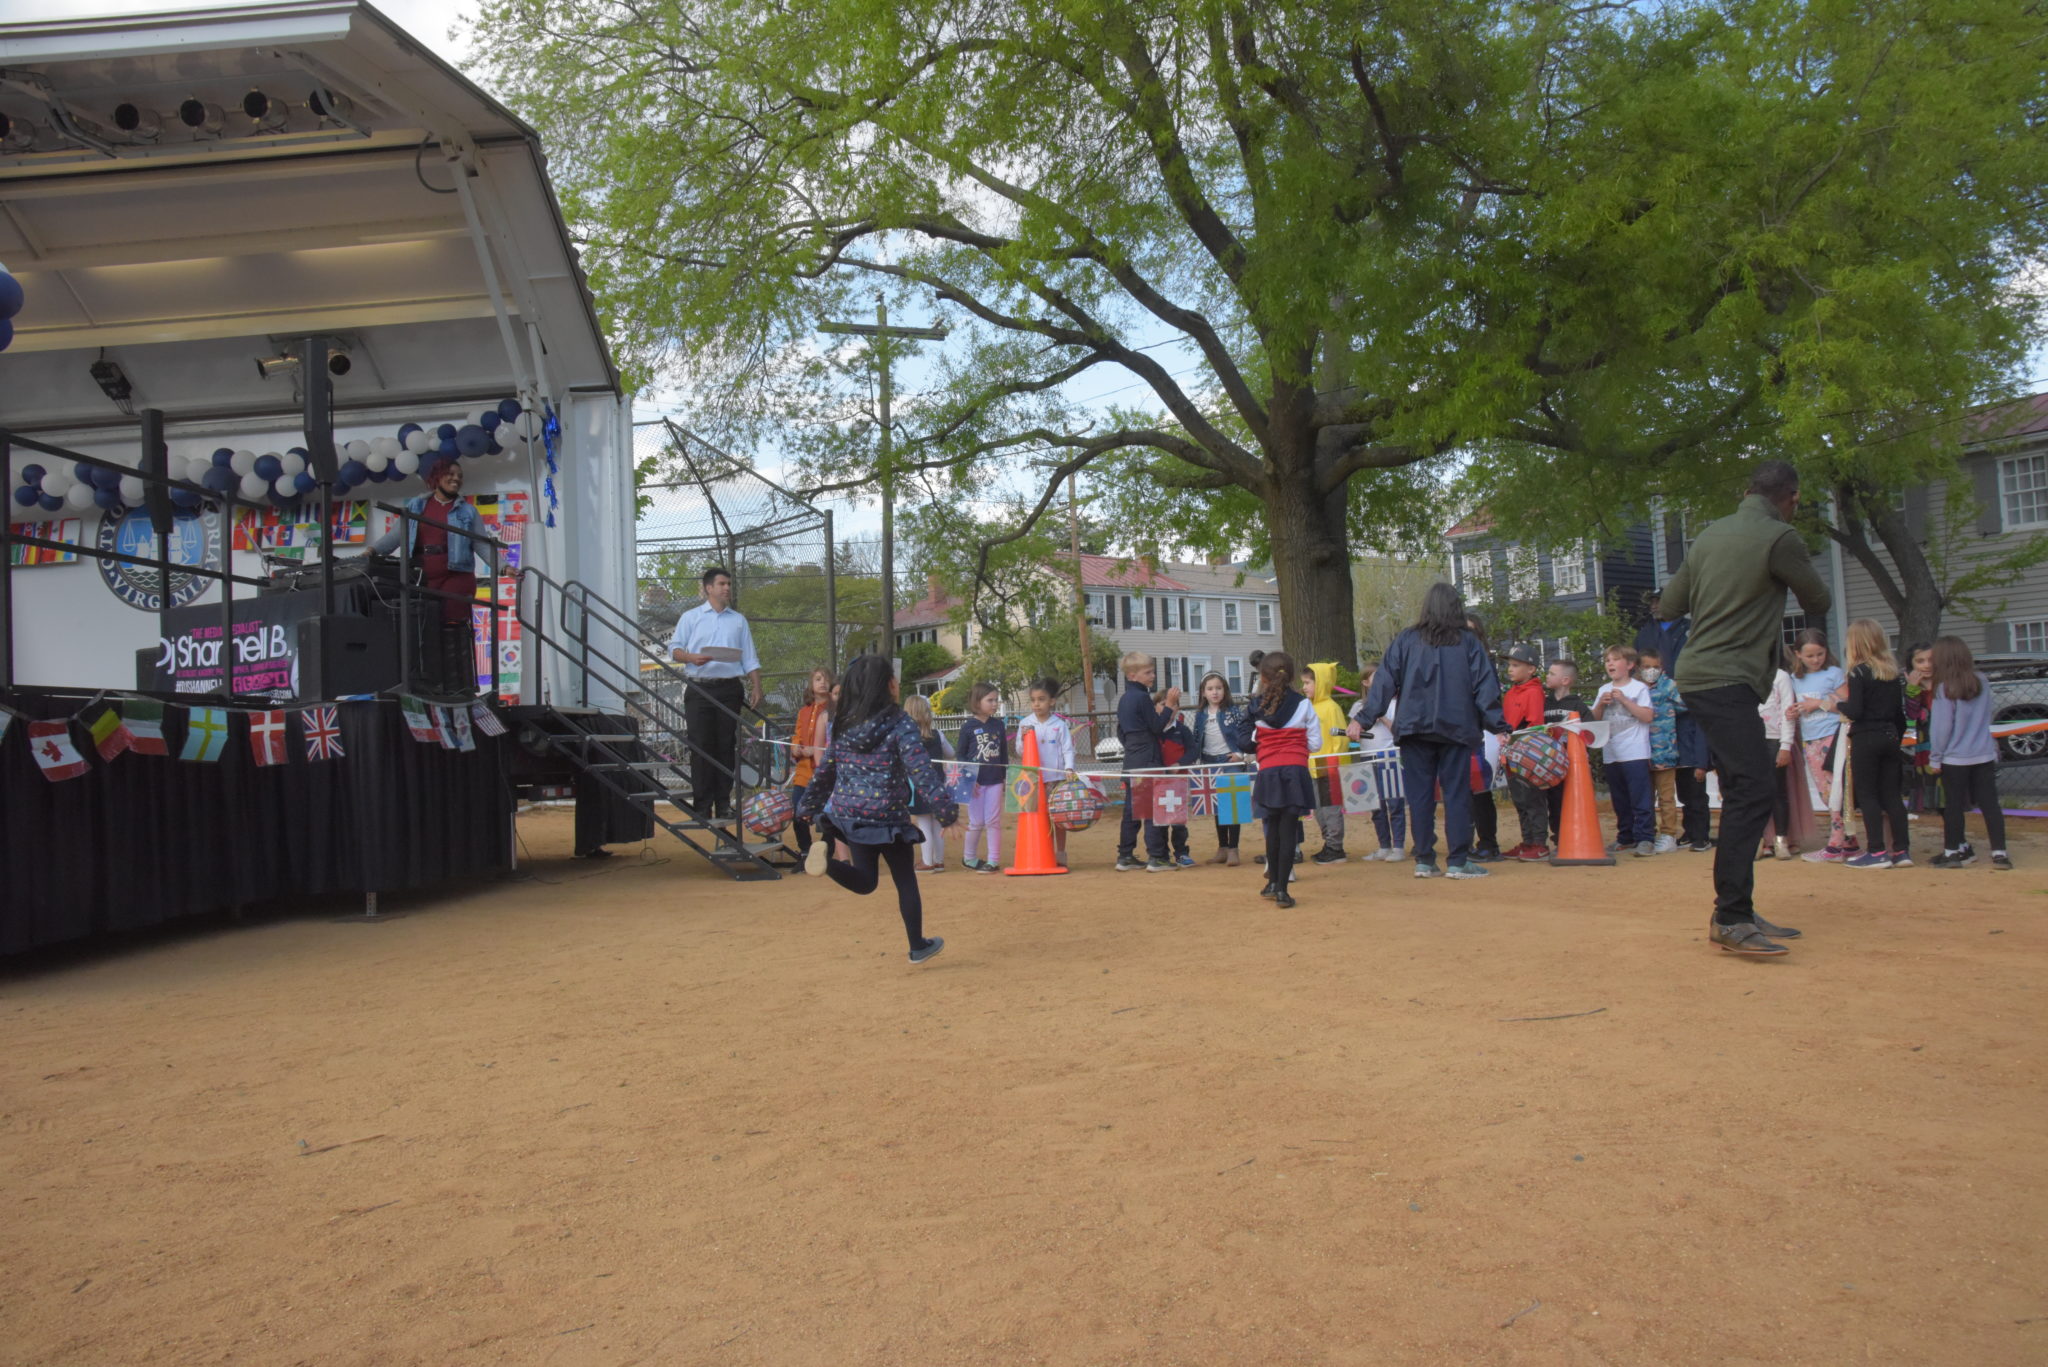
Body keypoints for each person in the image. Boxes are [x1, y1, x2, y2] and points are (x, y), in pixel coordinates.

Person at [1656, 459, 1833, 955]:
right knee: (1754, 788)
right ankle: (1730, 917)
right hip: (1727, 680)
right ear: (1791, 498)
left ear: (1747, 491)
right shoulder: (1781, 538)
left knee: (1742, 787)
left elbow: (1669, 607)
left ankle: (1737, 908)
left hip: (1698, 675)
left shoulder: (1709, 536)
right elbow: (1819, 597)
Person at [797, 655, 953, 964]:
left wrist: (809, 805)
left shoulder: (843, 723)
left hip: (849, 816)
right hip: (888, 818)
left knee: (866, 881)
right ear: (891, 687)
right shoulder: (900, 722)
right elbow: (920, 770)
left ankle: (827, 862)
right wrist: (946, 811)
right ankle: (917, 945)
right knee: (905, 879)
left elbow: (826, 768)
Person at [1359, 582, 1503, 880]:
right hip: (1456, 728)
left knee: (1420, 796)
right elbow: (1485, 686)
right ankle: (1458, 860)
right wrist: (1498, 725)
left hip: (1414, 728)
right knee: (1456, 794)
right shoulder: (1468, 642)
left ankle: (1424, 860)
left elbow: (1384, 680)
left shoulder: (1407, 639)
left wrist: (1364, 717)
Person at [370, 457, 489, 691]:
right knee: (423, 624)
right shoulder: (416, 506)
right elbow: (396, 536)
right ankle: (430, 682)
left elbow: (482, 545)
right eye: (451, 473)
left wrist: (504, 567)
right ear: (436, 477)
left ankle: (457, 685)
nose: (456, 478)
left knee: (451, 625)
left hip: (456, 576)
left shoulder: (467, 511)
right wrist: (371, 551)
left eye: (460, 475)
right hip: (422, 576)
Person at [667, 566, 763, 821]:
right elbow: (674, 649)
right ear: (708, 588)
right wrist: (690, 657)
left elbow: (750, 657)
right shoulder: (691, 617)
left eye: (729, 584)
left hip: (729, 687)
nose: (727, 588)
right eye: (722, 584)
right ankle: (702, 805)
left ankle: (723, 803)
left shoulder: (738, 620)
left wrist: (757, 686)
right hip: (699, 687)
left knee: (725, 745)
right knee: (700, 746)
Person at [1927, 636, 2013, 870]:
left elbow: (1942, 728)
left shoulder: (1943, 688)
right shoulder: (1982, 681)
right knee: (1990, 804)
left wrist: (1935, 756)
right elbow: (1986, 716)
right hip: (1983, 753)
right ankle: (1999, 853)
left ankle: (1952, 852)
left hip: (1955, 758)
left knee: (1953, 805)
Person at [1637, 590, 1712, 849]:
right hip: (1657, 721)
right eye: (1653, 601)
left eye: (1661, 601)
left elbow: (1703, 660)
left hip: (1686, 712)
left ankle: (1699, 832)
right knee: (1672, 782)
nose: (1656, 606)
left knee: (1692, 777)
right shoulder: (1646, 632)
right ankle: (1682, 832)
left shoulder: (1692, 629)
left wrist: (1686, 685)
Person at [1247, 651, 1320, 908]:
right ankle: (1282, 890)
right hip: (1295, 771)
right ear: (1289, 675)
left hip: (1268, 772)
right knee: (1288, 830)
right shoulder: (1303, 704)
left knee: (1272, 828)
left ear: (1263, 677)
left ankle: (1272, 883)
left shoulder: (1256, 705)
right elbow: (1315, 742)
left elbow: (1248, 741)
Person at [1840, 618, 1911, 868]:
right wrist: (1895, 737)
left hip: (1865, 737)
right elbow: (1899, 714)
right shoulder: (1891, 672)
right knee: (1892, 795)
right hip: (1890, 736)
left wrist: (1835, 704)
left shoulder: (1858, 672)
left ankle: (1877, 851)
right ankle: (1902, 851)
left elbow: (1855, 710)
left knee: (1868, 794)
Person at [1790, 627, 1853, 859]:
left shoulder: (1834, 673)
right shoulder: (1794, 678)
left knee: (1836, 788)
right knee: (1824, 791)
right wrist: (1794, 711)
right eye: (1810, 655)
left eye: (1820, 654)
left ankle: (1837, 841)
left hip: (1834, 735)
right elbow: (1795, 706)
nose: (1816, 660)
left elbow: (1848, 703)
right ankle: (1848, 838)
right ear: (1797, 654)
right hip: (1810, 739)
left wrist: (1818, 703)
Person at [1115, 652, 1177, 872]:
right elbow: (1157, 726)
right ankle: (1157, 857)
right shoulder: (1142, 698)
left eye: (1153, 671)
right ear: (1132, 675)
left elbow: (1120, 732)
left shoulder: (1123, 699)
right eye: (1148, 672)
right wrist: (1169, 705)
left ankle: (1125, 855)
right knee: (1151, 809)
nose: (1153, 676)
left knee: (1132, 810)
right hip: (1148, 759)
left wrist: (1133, 747)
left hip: (1132, 759)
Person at [1593, 645, 1656, 857]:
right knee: (1620, 799)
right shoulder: (1603, 689)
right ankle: (1625, 837)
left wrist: (1624, 700)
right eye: (1607, 660)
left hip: (1635, 752)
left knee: (1640, 798)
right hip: (1611, 753)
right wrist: (1601, 704)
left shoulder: (1639, 688)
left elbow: (1647, 716)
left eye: (1615, 659)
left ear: (1629, 665)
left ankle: (1645, 838)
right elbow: (1594, 720)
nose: (1610, 663)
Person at [1191, 671, 1253, 865]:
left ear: (1225, 691)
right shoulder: (1200, 715)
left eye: (1218, 688)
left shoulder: (1233, 712)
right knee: (1217, 807)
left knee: (1232, 806)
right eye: (1210, 689)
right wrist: (1195, 760)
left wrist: (1241, 754)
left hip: (1230, 762)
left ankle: (1234, 848)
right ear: (1203, 693)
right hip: (1209, 763)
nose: (1215, 692)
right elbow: (1195, 738)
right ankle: (1222, 847)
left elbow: (1245, 733)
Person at [1348, 663, 1407, 861]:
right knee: (1375, 805)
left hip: (1390, 758)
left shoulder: (1394, 704)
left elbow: (1398, 732)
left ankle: (1398, 847)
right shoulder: (1358, 706)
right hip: (1367, 759)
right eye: (1376, 677)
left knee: (1395, 803)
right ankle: (1383, 846)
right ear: (1366, 682)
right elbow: (1352, 733)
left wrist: (1380, 714)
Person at [1499, 645, 1550, 860]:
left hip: (1528, 756)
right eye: (1509, 665)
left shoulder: (1534, 692)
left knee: (1533, 799)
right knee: (1520, 800)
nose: (1510, 669)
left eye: (1515, 665)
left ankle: (1539, 843)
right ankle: (1527, 841)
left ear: (1531, 669)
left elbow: (1535, 725)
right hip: (1511, 754)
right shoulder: (1511, 693)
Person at [1019, 679, 1077, 868]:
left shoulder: (1059, 725)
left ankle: (1060, 852)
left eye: (1041, 699)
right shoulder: (1026, 723)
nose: (1037, 704)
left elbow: (1068, 749)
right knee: (1037, 817)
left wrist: (1069, 768)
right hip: (1034, 780)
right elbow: (1020, 751)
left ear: (1052, 701)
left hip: (1056, 779)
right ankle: (1041, 852)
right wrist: (1023, 737)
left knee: (1059, 818)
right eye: (1033, 700)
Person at [955, 683, 1008, 873]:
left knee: (993, 821)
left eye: (996, 700)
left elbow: (1003, 755)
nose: (994, 704)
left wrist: (1003, 778)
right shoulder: (968, 727)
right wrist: (969, 779)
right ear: (978, 702)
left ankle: (993, 860)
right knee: (976, 822)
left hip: (994, 780)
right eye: (990, 700)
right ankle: (969, 858)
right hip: (975, 783)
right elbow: (960, 755)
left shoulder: (998, 725)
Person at [1304, 662, 1352, 864]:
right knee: (1319, 809)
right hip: (1313, 767)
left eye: (1308, 682)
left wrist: (1334, 763)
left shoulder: (1331, 708)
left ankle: (1335, 846)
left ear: (1320, 683)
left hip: (1329, 767)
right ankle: (1328, 843)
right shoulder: (1309, 707)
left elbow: (1340, 738)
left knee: (1331, 808)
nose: (1304, 687)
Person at [1756, 649, 1801, 860]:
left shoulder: (1780, 677)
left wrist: (1785, 745)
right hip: (1750, 741)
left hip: (1774, 739)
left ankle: (1781, 839)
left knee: (1777, 792)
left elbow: (1787, 710)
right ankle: (1759, 840)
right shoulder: (1744, 673)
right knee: (1753, 793)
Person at [902, 693, 952, 873]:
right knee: (938, 824)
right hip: (938, 786)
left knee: (924, 824)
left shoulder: (908, 738)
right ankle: (938, 861)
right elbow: (950, 753)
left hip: (918, 788)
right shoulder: (938, 734)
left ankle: (927, 862)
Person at [1640, 647, 1682, 853]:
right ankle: (1647, 834)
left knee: (1666, 796)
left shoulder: (1669, 686)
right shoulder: (1635, 688)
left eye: (1655, 667)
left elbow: (1685, 706)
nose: (1651, 671)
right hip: (1640, 751)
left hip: (1665, 751)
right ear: (1639, 668)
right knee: (1645, 797)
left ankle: (1669, 835)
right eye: (1647, 667)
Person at [789, 667, 834, 856]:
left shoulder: (834, 710)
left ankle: (827, 850)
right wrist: (795, 747)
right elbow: (798, 735)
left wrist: (815, 750)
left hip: (826, 773)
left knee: (830, 815)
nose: (822, 682)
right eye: (817, 679)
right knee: (797, 812)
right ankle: (806, 850)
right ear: (811, 685)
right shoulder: (804, 711)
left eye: (825, 679)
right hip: (804, 772)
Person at [1150, 688, 1198, 867]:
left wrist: (1180, 764)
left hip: (1178, 783)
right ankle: (1162, 854)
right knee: (1159, 822)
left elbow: (1193, 751)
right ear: (1155, 708)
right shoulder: (1153, 731)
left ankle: (1181, 853)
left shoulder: (1183, 730)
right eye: (1163, 704)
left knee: (1178, 822)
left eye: (1173, 704)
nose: (1169, 707)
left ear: (1178, 708)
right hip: (1158, 784)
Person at [1543, 659, 1588, 845]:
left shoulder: (1577, 704)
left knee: (1571, 799)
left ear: (1566, 680)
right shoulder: (1544, 702)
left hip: (1571, 763)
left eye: (1552, 673)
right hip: (1548, 763)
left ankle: (1575, 835)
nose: (1547, 676)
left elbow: (1589, 732)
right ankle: (1559, 838)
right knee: (1553, 801)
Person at [1902, 642, 1938, 815]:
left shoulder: (1944, 685)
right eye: (1920, 661)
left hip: (1947, 746)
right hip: (1924, 747)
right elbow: (1912, 716)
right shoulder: (1911, 688)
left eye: (1931, 660)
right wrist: (1913, 689)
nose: (1927, 665)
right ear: (1912, 665)